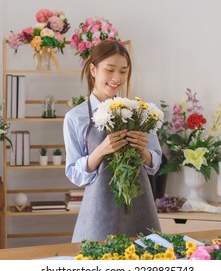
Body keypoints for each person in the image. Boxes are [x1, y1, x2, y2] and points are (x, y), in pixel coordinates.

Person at [63, 40, 162, 242]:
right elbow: (74, 172)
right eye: (110, 70)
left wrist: (143, 151)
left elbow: (155, 164)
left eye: (123, 71)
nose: (117, 78)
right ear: (93, 70)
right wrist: (100, 151)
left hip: (140, 208)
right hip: (98, 214)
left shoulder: (139, 113)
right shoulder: (76, 117)